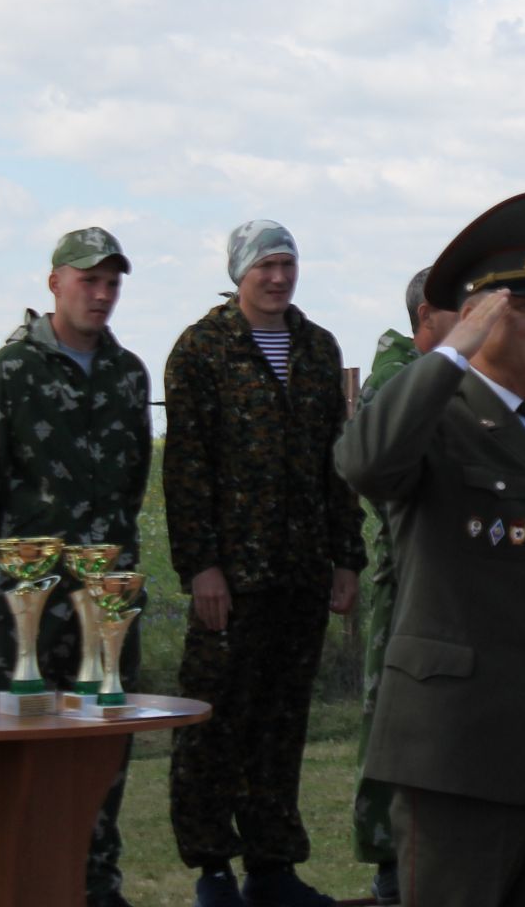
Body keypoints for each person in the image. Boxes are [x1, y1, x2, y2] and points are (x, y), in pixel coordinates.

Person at [333, 190, 525, 907]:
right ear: (479, 316)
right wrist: (450, 355)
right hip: (457, 752)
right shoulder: (437, 417)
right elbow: (364, 464)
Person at [163, 220, 365, 907]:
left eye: (287, 265)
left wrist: (346, 556)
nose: (278, 279)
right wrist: (201, 567)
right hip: (233, 579)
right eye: (264, 268)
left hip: (302, 572)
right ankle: (213, 867)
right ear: (239, 274)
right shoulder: (200, 350)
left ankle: (273, 867)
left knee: (282, 724)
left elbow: (338, 465)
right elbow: (187, 469)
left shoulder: (316, 349)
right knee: (215, 722)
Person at [0, 227, 153, 907]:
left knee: (103, 749)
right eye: (89, 280)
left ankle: (95, 885)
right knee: (14, 751)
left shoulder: (128, 371)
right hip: (29, 600)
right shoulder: (12, 369)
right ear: (55, 282)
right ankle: (11, 884)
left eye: (112, 283)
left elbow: (134, 478)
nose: (102, 294)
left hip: (106, 595)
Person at [354, 266, 456, 906]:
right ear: (426, 320)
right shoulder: (398, 378)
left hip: (451, 580)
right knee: (392, 721)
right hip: (408, 579)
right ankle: (390, 860)